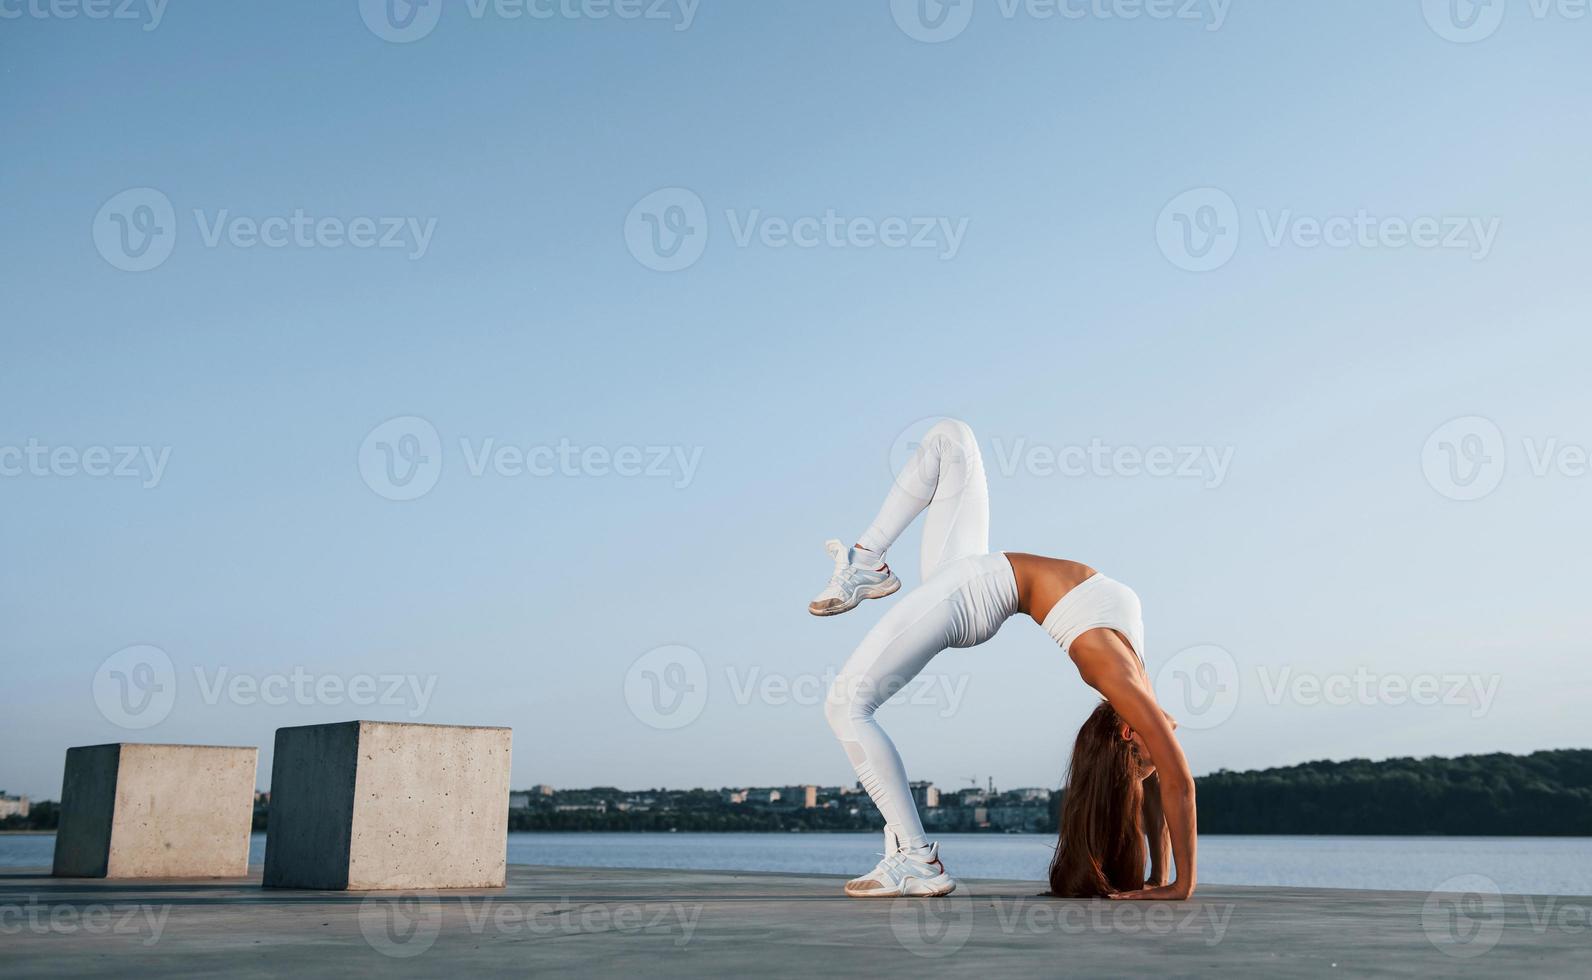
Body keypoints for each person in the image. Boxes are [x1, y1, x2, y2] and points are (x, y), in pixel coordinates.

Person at [813, 419, 1194, 900]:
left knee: (845, 706)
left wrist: (1181, 886)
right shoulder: (1134, 681)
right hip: (971, 576)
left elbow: (1178, 783)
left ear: (1126, 733)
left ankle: (916, 857)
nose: (1171, 737)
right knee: (950, 437)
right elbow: (1164, 785)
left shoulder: (1113, 675)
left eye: (1147, 759)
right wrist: (1161, 877)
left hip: (968, 596)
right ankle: (866, 561)